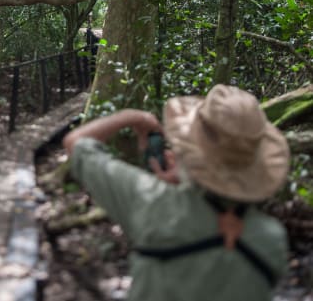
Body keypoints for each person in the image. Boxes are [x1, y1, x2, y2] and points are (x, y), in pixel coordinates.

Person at [62, 84, 291, 301]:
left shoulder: (152, 201)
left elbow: (77, 144)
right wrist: (185, 180)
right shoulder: (273, 239)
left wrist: (135, 117)